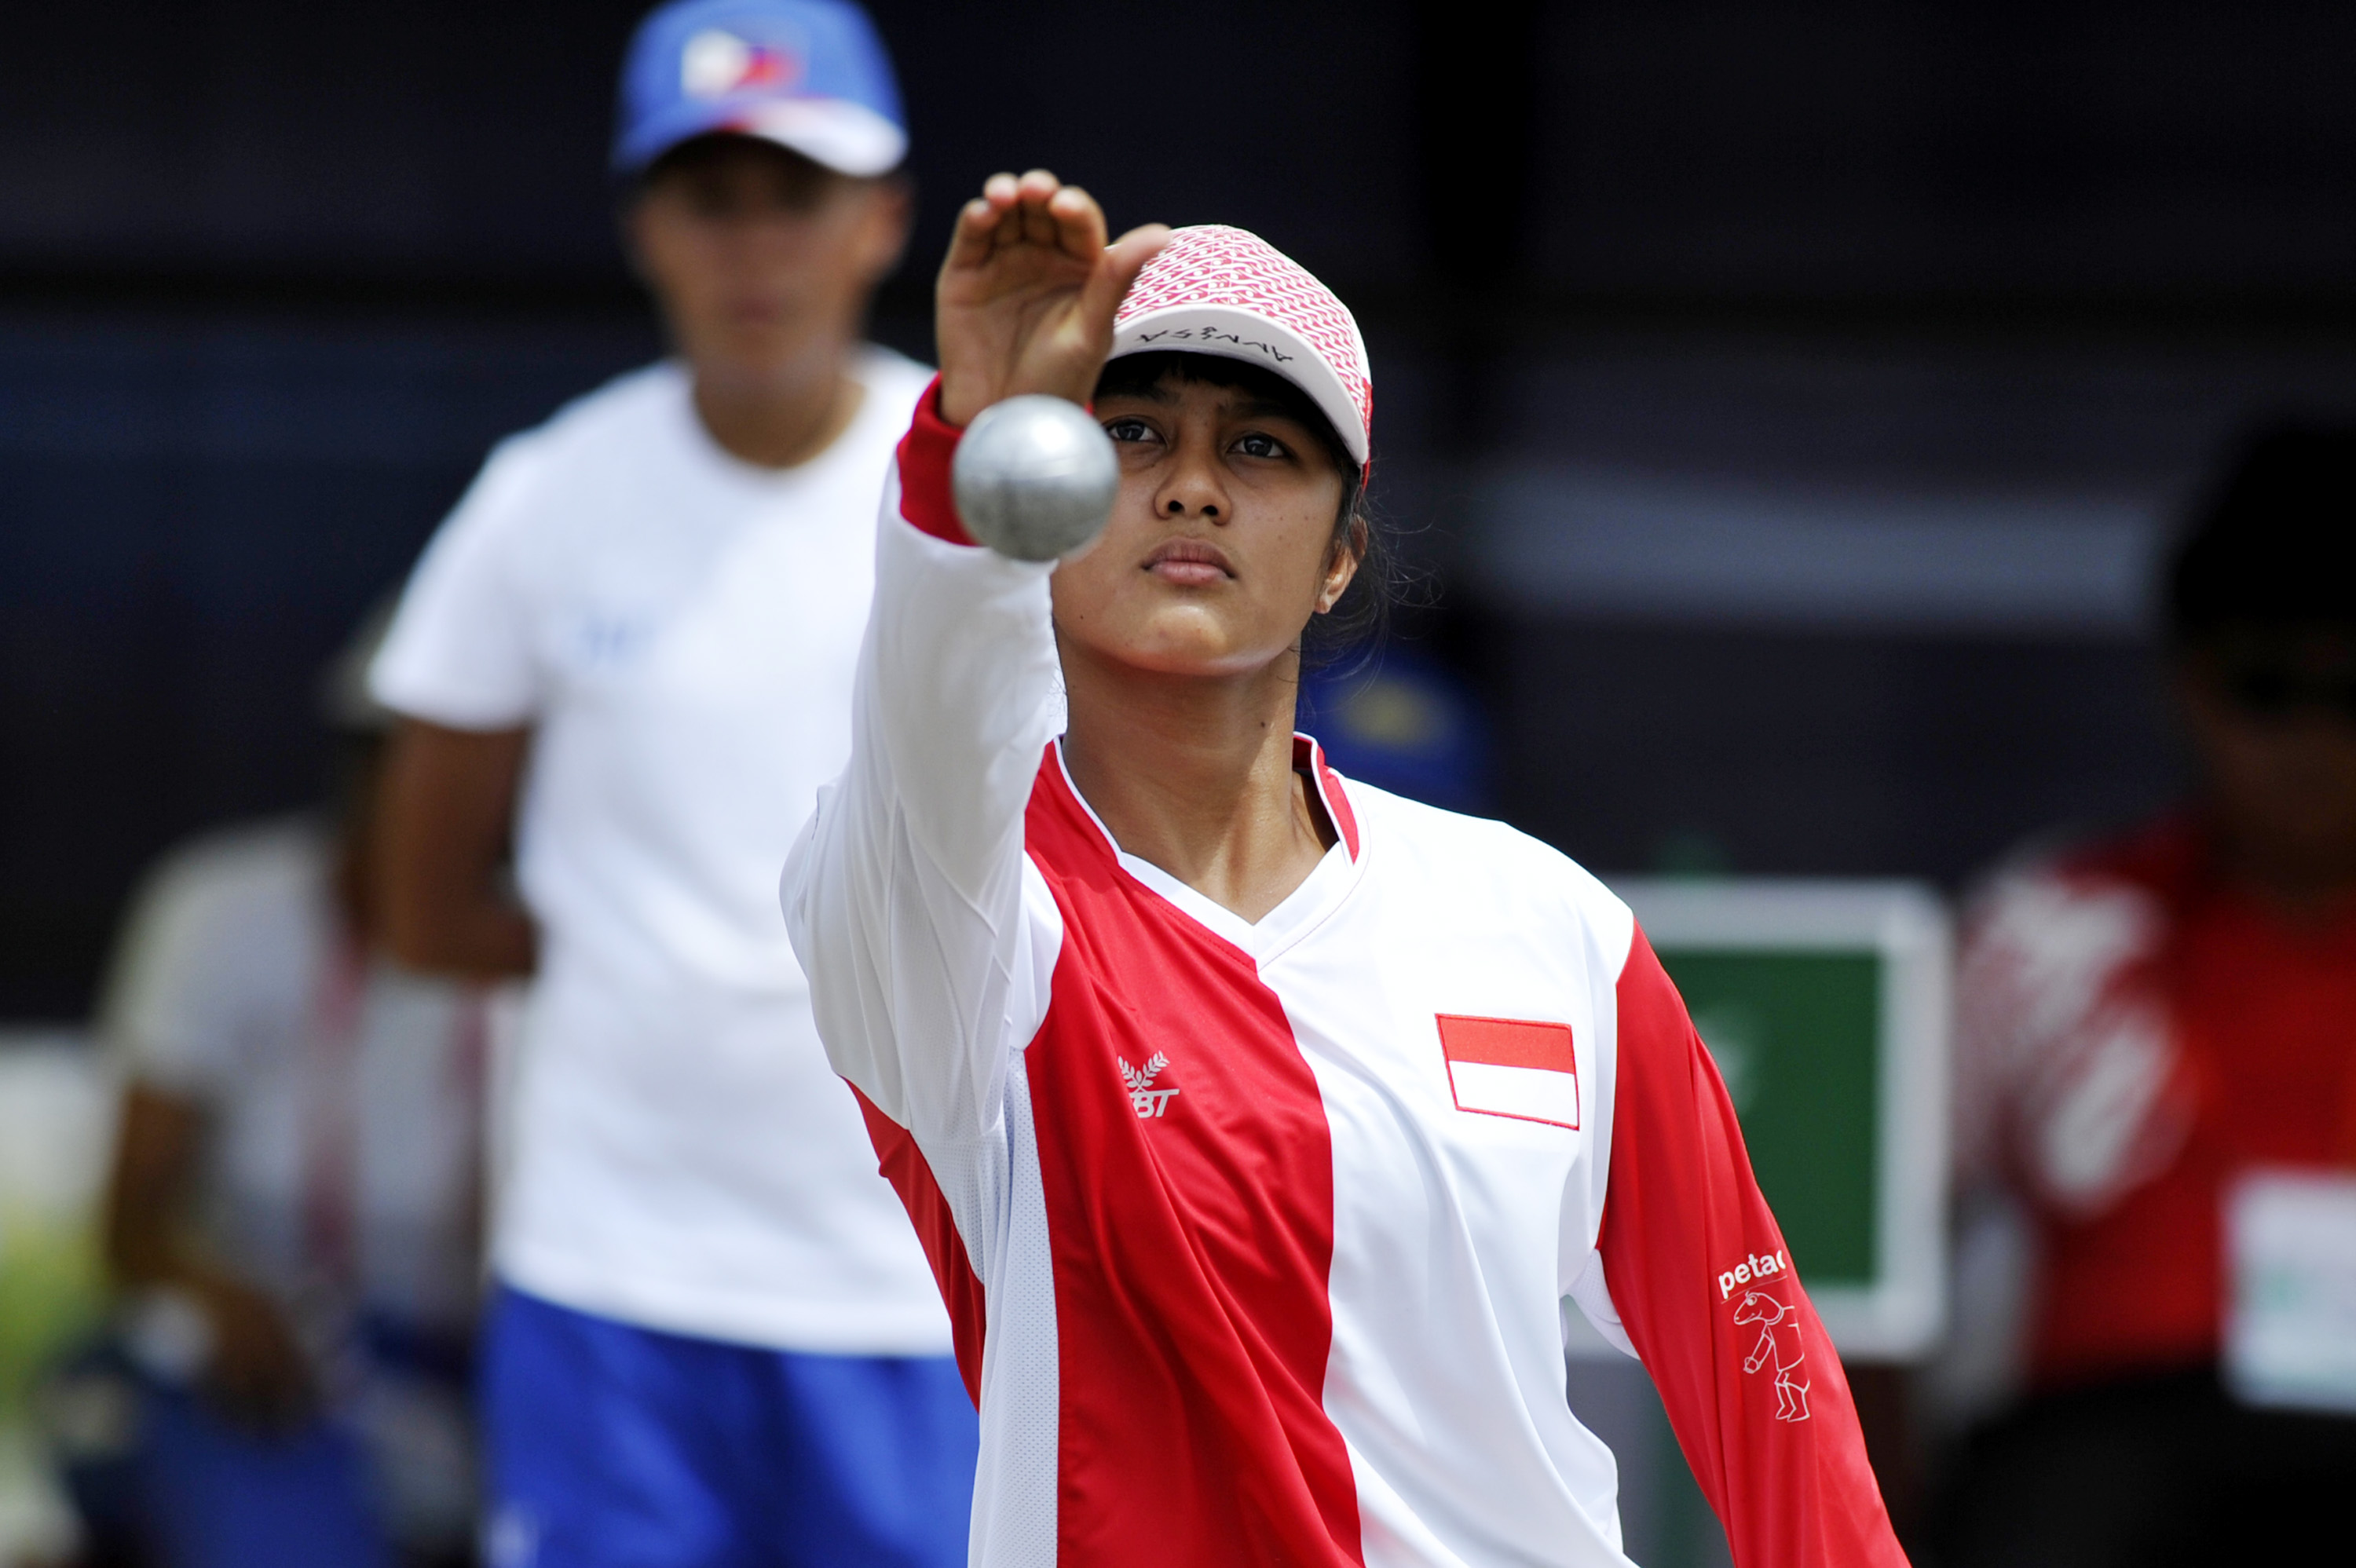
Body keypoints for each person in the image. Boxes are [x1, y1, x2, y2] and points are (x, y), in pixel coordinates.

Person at [780, 170, 1904, 1566]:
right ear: (1054, 505)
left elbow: (1757, 1350)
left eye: (1261, 449)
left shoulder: (1547, 923)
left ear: (1337, 558)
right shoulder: (960, 922)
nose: (1192, 481)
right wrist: (977, 443)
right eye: (1129, 434)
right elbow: (932, 707)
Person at [367, 2, 973, 1563]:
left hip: (924, 1275)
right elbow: (421, 902)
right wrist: (659, 967)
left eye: (797, 195)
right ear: (648, 227)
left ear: (883, 220)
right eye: (713, 198)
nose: (755, 246)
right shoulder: (544, 497)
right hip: (610, 1275)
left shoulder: (983, 492)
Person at [1933, 427, 2356, 1566]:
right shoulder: (2047, 928)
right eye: (2268, 686)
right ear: (2188, 685)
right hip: (2111, 1448)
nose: (2316, 739)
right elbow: (1877, 1258)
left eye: (2352, 689)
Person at [97, 609, 488, 1568]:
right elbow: (132, 1222)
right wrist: (221, 1296)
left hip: (459, 1365)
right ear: (362, 772)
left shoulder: (541, 939)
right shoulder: (221, 909)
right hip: (261, 1356)